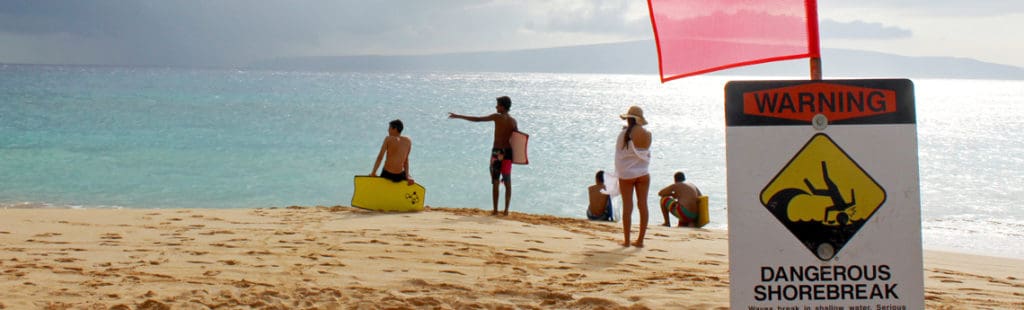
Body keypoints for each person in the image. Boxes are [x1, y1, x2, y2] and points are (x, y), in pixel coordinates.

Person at [448, 96, 518, 216]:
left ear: (502, 106)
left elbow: (477, 119)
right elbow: (517, 140)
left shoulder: (497, 117)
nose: (496, 107)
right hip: (508, 153)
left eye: (497, 105)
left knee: (496, 181)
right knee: (507, 181)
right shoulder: (513, 121)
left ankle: (495, 210)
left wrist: (459, 116)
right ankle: (506, 211)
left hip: (497, 152)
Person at [615, 105, 651, 247]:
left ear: (629, 119)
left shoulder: (624, 135)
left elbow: (619, 155)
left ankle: (627, 240)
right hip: (643, 173)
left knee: (627, 207)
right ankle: (640, 240)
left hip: (627, 174)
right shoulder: (648, 134)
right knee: (643, 206)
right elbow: (645, 153)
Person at [370, 119, 414, 185]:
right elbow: (406, 160)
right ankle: (409, 177)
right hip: (399, 176)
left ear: (395, 129)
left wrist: (373, 172)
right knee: (406, 174)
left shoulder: (388, 139)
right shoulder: (408, 141)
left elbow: (380, 157)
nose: (388, 130)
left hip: (387, 174)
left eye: (389, 128)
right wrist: (407, 176)